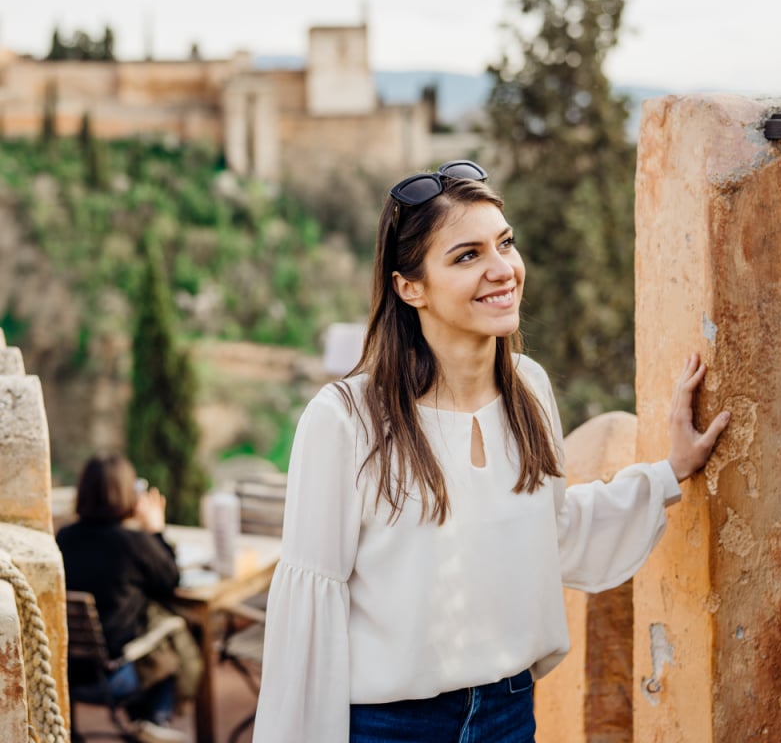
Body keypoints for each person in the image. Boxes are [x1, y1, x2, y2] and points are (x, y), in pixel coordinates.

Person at [252, 161, 730, 742]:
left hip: (508, 714)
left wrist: (670, 470)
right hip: (390, 726)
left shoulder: (529, 388)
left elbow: (553, 535)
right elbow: (310, 611)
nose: (502, 270)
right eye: (467, 256)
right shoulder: (345, 419)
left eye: (504, 244)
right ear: (410, 287)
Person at [57, 453, 201, 743]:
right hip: (115, 677)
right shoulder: (133, 544)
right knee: (177, 628)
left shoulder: (63, 538)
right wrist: (157, 529)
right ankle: (152, 718)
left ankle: (142, 719)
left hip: (66, 672)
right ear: (127, 494)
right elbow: (170, 580)